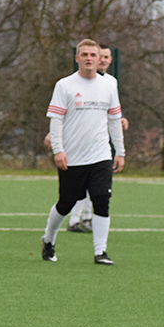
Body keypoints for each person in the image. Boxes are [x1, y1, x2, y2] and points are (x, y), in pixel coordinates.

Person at [41, 38, 125, 265]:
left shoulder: (110, 84)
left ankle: (100, 252)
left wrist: (120, 151)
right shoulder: (64, 85)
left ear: (100, 59)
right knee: (66, 203)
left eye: (93, 55)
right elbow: (56, 120)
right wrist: (58, 150)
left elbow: (115, 119)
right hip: (72, 157)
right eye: (84, 54)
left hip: (100, 155)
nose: (89, 58)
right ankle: (48, 239)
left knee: (102, 199)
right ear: (77, 58)